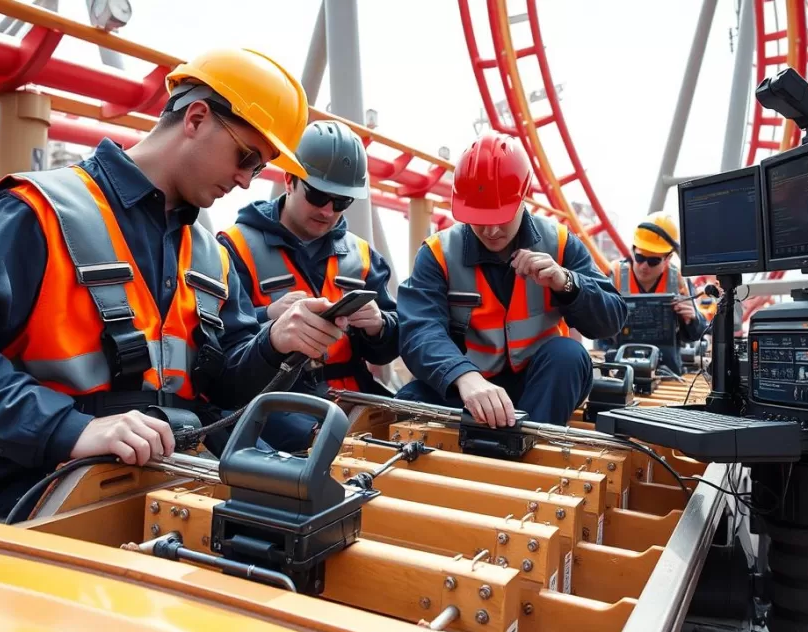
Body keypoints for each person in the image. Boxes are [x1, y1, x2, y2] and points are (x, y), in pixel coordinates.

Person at [0, 47, 350, 517]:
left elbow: (222, 386)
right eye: (247, 155)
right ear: (195, 118)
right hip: (20, 477)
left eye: (258, 168)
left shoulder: (211, 256)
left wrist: (273, 344)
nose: (245, 180)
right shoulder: (36, 212)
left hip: (152, 475)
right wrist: (67, 429)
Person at [395, 130, 627, 428]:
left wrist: (568, 283)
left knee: (568, 355)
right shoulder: (438, 253)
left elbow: (611, 319)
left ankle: (530, 452)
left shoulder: (560, 242)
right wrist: (464, 377)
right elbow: (419, 331)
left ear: (523, 197)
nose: (491, 231)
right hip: (469, 388)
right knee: (408, 404)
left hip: (541, 387)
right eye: (480, 219)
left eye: (500, 218)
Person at [217, 119, 399, 451]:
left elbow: (389, 347)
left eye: (342, 202)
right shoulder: (233, 247)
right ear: (289, 180)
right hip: (273, 407)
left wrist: (379, 326)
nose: (329, 211)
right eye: (318, 196)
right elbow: (219, 347)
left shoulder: (362, 256)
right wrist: (267, 317)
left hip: (353, 403)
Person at [602, 212, 707, 374]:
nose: (644, 266)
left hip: (667, 368)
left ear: (668, 258)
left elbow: (696, 334)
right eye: (639, 257)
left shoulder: (678, 280)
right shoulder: (615, 274)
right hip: (620, 364)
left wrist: (692, 319)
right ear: (633, 251)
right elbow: (597, 328)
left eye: (653, 261)